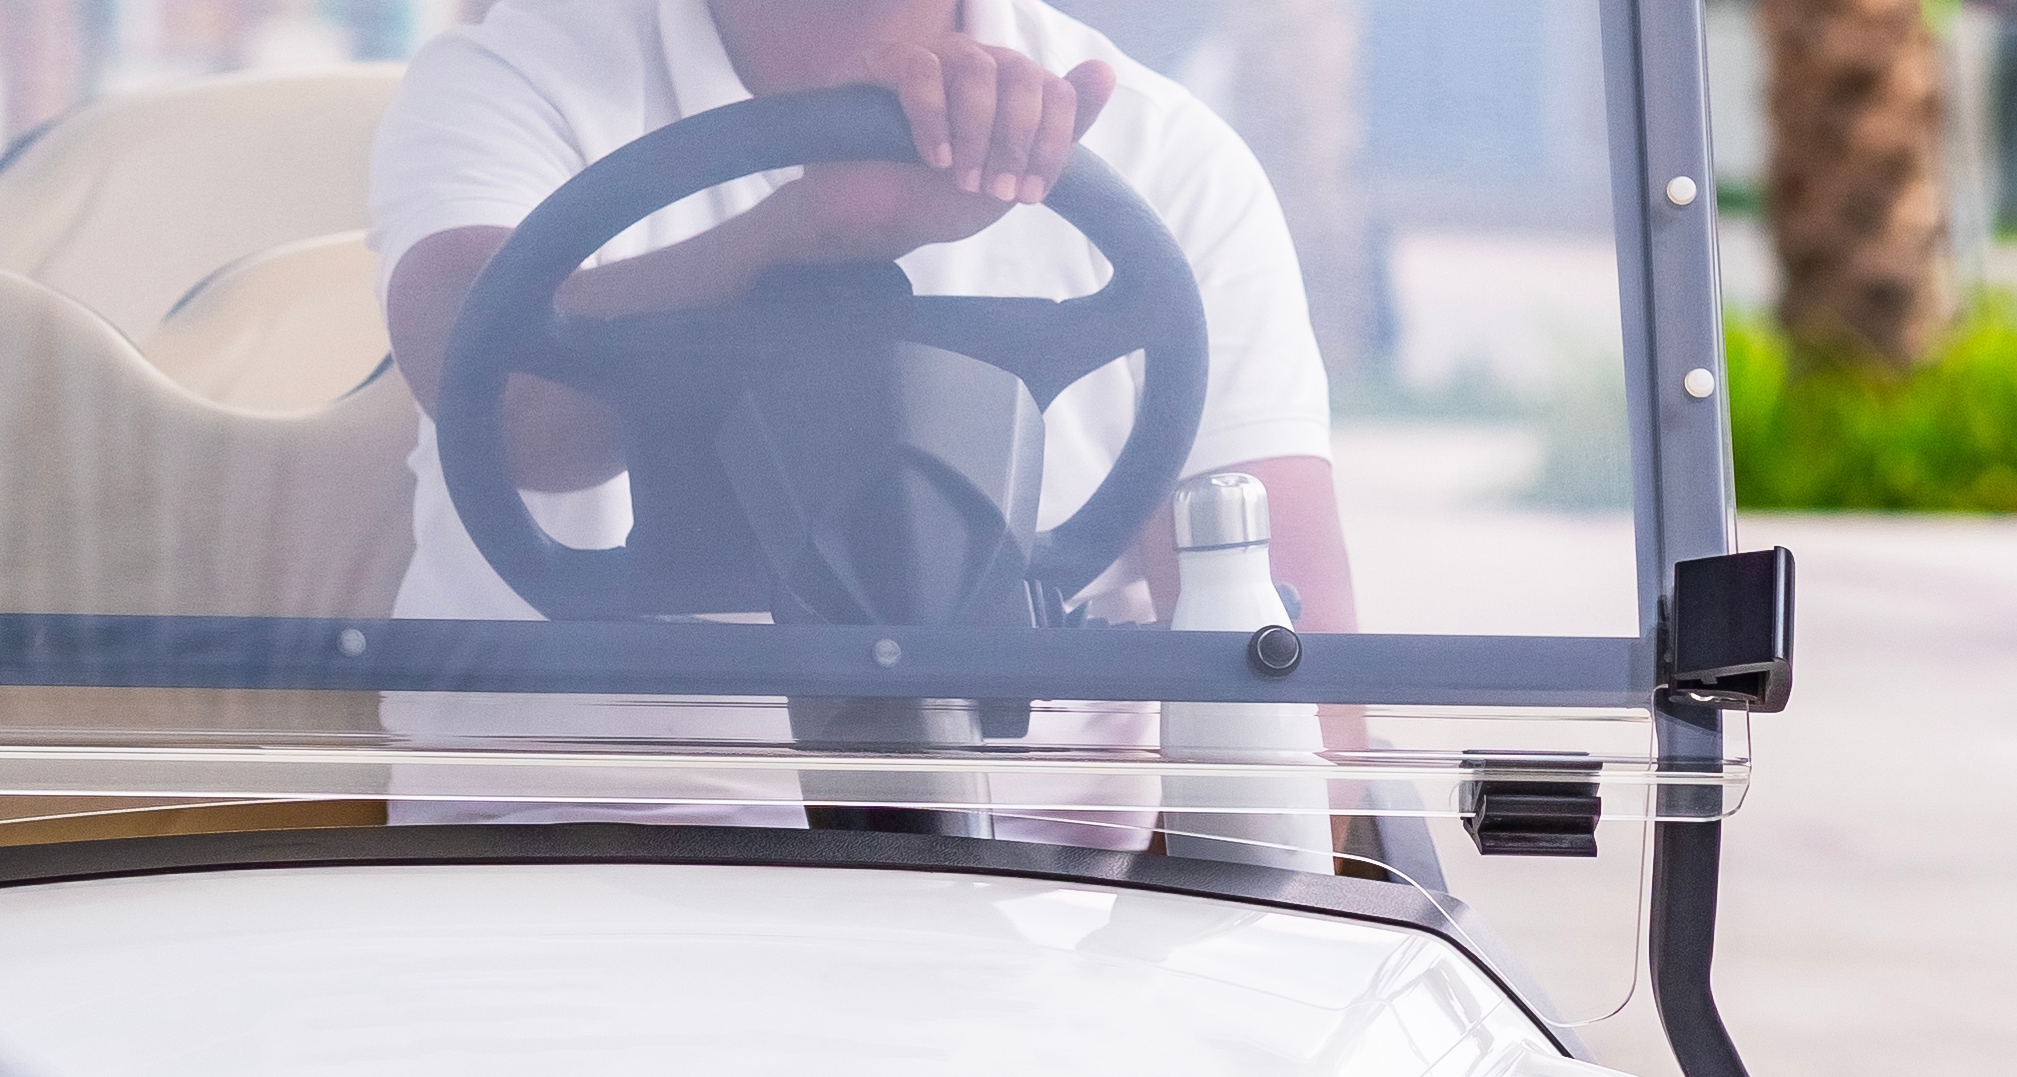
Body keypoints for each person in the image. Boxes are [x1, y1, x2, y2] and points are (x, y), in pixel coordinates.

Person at [364, 0, 1353, 829]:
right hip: (548, 878)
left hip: (1039, 927)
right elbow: (501, 408)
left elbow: (1290, 688)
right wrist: (819, 227)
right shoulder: (513, 76)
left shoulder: (1165, 154)